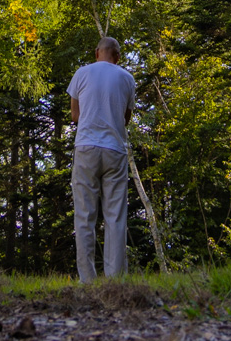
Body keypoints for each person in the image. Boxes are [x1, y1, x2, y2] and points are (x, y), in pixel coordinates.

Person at [66, 35, 135, 282]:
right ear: (117, 56)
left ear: (97, 53)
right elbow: (125, 120)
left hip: (86, 148)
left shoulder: (81, 73)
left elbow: (75, 116)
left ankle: (87, 280)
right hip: (114, 150)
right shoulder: (127, 79)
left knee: (85, 215)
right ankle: (115, 280)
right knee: (115, 216)